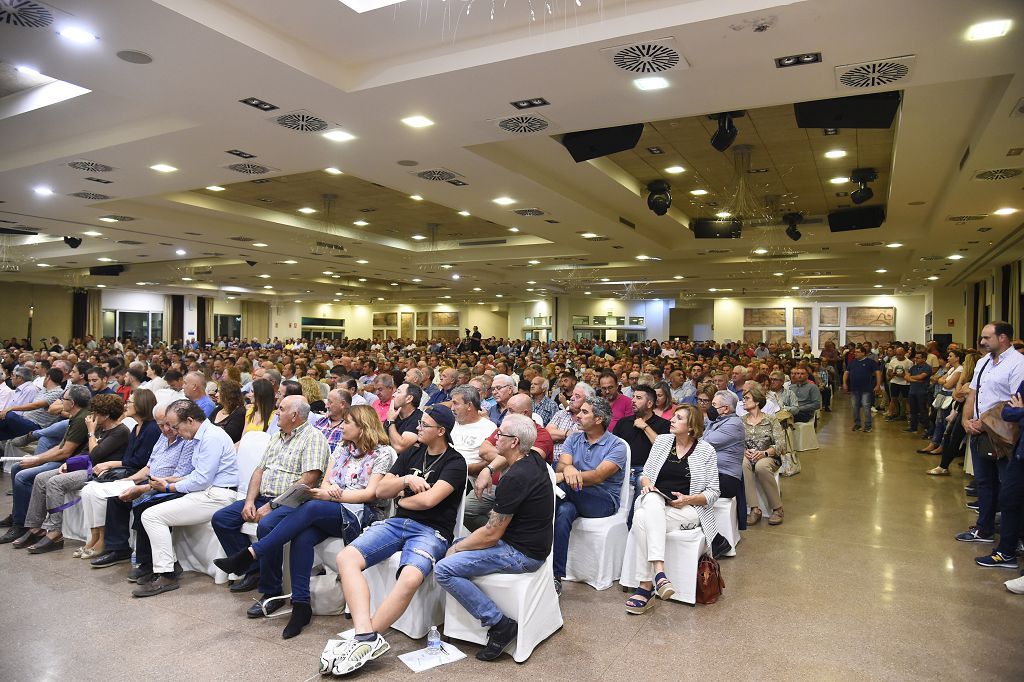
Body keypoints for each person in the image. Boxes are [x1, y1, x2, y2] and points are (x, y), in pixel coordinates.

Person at [215, 405, 395, 639]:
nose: (342, 427)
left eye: (348, 423)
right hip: (330, 508)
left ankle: (250, 554)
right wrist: (331, 492)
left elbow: (371, 494)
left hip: (362, 513)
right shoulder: (342, 449)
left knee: (310, 507)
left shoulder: (383, 453)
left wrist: (332, 494)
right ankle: (301, 605)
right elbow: (327, 482)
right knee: (303, 536)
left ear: (362, 427)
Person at [324, 405, 467, 677]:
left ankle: (365, 639)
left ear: (441, 431)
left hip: (432, 532)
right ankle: (365, 634)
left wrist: (401, 498)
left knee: (411, 576)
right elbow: (380, 489)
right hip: (396, 523)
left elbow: (429, 500)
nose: (418, 428)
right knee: (347, 558)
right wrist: (406, 479)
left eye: (424, 425)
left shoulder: (455, 462)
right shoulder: (412, 452)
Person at [434, 413, 554, 661]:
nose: (495, 438)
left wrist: (458, 550)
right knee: (452, 545)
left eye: (501, 434)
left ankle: (499, 624)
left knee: (444, 567)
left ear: (514, 442)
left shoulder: (516, 477)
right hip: (528, 543)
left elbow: (491, 534)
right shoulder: (532, 459)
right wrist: (489, 469)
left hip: (522, 554)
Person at [211, 395, 329, 606]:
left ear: (294, 415)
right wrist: (249, 501)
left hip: (292, 503)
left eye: (281, 409)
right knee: (222, 518)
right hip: (262, 498)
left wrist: (273, 505)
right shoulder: (277, 436)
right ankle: (253, 570)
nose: (276, 412)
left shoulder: (313, 438)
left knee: (267, 525)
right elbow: (259, 471)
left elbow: (307, 482)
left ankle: (271, 592)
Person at [132, 399, 239, 597]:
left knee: (152, 515)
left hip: (219, 496)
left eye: (175, 427)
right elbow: (200, 475)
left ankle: (167, 573)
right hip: (209, 492)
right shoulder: (202, 436)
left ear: (189, 420)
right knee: (150, 511)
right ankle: (168, 567)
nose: (174, 432)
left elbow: (202, 480)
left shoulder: (212, 437)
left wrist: (170, 485)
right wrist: (176, 479)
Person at [624, 404, 720, 614]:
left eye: (678, 418)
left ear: (692, 427)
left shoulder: (706, 451)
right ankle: (660, 573)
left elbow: (714, 492)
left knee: (641, 518)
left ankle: (645, 587)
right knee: (651, 500)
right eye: (673, 417)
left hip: (688, 508)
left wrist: (688, 498)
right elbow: (645, 474)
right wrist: (647, 484)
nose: (672, 420)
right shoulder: (662, 442)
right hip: (658, 501)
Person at [87, 403, 195, 574]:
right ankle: (118, 548)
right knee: (117, 496)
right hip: (152, 482)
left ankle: (146, 561)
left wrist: (143, 488)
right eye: (160, 425)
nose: (165, 429)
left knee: (144, 503)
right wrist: (127, 481)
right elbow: (149, 467)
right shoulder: (162, 437)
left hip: (170, 486)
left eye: (168, 424)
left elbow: (178, 477)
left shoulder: (187, 441)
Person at [16, 393, 131, 552]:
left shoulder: (120, 431)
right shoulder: (101, 427)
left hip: (100, 472)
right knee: (41, 478)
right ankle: (35, 527)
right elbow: (84, 452)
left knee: (55, 482)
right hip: (87, 466)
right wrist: (68, 464)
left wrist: (90, 432)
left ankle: (55, 532)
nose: (92, 416)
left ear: (106, 415)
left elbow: (96, 455)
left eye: (96, 413)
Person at [956, 322, 1024, 547]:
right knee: (984, 482)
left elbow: (1016, 404)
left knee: (1008, 486)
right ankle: (983, 528)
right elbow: (972, 393)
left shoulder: (1018, 364)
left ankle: (1012, 539)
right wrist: (966, 420)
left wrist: (985, 423)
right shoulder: (984, 362)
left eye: (986, 337)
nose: (982, 342)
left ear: (1003, 338)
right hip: (978, 431)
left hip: (1003, 435)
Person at [552, 396, 627, 596]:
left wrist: (564, 475)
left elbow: (597, 476)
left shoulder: (617, 446)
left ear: (599, 419)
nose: (578, 415)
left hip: (603, 501)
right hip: (572, 496)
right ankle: (555, 577)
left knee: (553, 492)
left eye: (585, 412)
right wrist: (568, 471)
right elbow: (561, 465)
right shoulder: (574, 438)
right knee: (564, 512)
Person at [1, 384, 91, 545]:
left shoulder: (80, 419)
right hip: (68, 459)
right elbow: (62, 446)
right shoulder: (75, 416)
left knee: (22, 476)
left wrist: (37, 460)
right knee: (18, 467)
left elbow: (65, 452)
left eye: (63, 399)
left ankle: (22, 524)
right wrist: (39, 458)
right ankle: (19, 517)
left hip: (71, 463)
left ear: (72, 402)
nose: (60, 401)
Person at [612, 385, 671, 527]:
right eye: (633, 397)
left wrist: (645, 427)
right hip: (622, 469)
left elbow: (663, 448)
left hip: (645, 471)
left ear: (650, 403)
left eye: (638, 398)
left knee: (642, 481)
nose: (632, 400)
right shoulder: (623, 422)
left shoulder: (663, 425)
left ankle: (631, 526)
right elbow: (612, 447)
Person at [740, 386, 786, 526]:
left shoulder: (771, 420)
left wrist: (764, 453)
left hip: (768, 456)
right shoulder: (741, 420)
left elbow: (781, 445)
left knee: (761, 466)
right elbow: (736, 442)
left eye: (747, 398)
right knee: (742, 464)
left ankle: (777, 508)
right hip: (748, 456)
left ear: (757, 401)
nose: (743, 401)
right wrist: (743, 451)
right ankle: (755, 509)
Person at [920, 349, 964, 456]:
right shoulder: (951, 369)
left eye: (950, 356)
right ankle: (934, 442)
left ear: (957, 358)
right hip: (943, 396)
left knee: (945, 423)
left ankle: (943, 446)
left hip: (950, 398)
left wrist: (943, 381)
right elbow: (938, 379)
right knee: (938, 422)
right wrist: (944, 381)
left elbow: (948, 385)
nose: (948, 358)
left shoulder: (960, 370)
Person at [844, 346, 882, 433]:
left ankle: (868, 426)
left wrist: (878, 385)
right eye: (855, 352)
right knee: (855, 407)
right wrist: (844, 383)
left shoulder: (870, 362)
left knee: (866, 406)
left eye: (857, 352)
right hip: (854, 388)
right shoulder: (852, 362)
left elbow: (878, 373)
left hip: (866, 389)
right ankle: (857, 424)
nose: (855, 353)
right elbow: (846, 373)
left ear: (863, 353)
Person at [906, 351, 933, 434]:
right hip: (912, 391)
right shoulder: (913, 367)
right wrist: (917, 379)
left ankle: (926, 427)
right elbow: (906, 377)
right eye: (915, 357)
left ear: (924, 359)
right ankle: (913, 427)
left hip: (922, 392)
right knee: (913, 410)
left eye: (918, 358)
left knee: (923, 410)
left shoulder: (927, 367)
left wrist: (912, 378)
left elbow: (921, 376)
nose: (916, 359)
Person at [212, 379, 246, 443]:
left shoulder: (240, 413)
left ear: (228, 393)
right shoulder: (218, 408)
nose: (216, 395)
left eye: (219, 392)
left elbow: (228, 437)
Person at [885, 346, 913, 421]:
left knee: (906, 400)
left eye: (900, 354)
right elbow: (889, 372)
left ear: (904, 353)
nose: (898, 356)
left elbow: (911, 374)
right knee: (893, 399)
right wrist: (893, 374)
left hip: (905, 383)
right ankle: (890, 414)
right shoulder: (893, 361)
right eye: (897, 354)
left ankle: (909, 415)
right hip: (895, 382)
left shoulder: (909, 362)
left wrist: (903, 375)